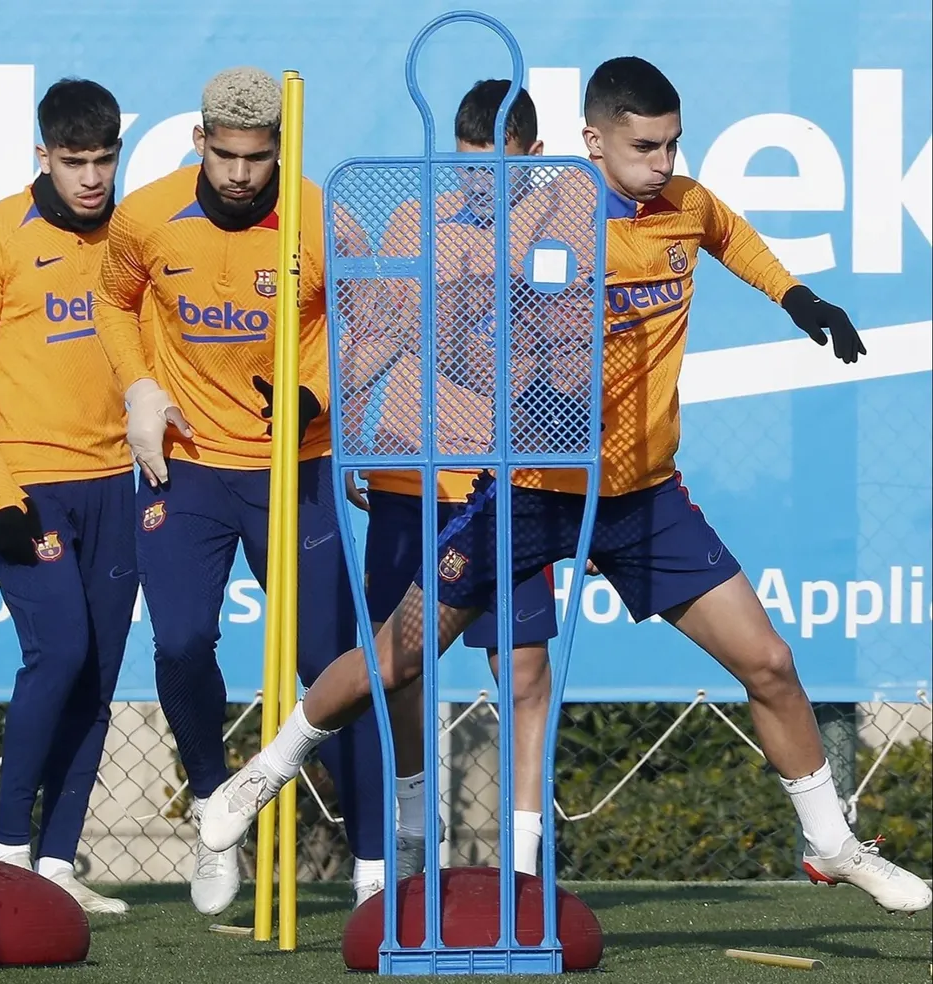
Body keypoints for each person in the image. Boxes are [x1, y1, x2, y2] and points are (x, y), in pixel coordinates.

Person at [201, 57, 932, 914]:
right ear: (593, 141)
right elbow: (452, 337)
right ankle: (257, 779)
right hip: (533, 488)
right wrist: (500, 378)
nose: (662, 163)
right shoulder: (552, 216)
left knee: (770, 662)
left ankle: (832, 843)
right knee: (395, 660)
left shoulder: (683, 205)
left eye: (672, 145)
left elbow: (730, 235)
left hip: (644, 499)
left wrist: (798, 298)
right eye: (644, 147)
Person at [92, 66, 387, 913]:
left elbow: (369, 325)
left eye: (257, 158)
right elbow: (114, 303)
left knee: (330, 668)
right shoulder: (146, 216)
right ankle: (217, 811)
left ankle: (374, 866)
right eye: (224, 155)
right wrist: (138, 386)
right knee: (181, 642)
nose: (238, 174)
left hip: (298, 462)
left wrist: (317, 395)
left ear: (280, 151)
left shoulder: (318, 216)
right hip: (186, 463)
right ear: (199, 142)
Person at [350, 79, 557, 877]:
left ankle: (529, 859)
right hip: (412, 471)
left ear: (531, 157)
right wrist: (358, 429)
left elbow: (553, 351)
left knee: (525, 667)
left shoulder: (561, 227)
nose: (478, 187)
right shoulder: (414, 222)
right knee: (397, 664)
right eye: (466, 170)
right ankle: (411, 823)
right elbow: (376, 326)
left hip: (508, 483)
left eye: (495, 170)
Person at [0, 78, 133, 914]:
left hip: (119, 483)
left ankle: (58, 862)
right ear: (42, 158)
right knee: (56, 654)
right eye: (74, 161)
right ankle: (9, 848)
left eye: (103, 159)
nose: (90, 177)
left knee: (99, 674)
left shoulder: (134, 236)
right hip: (29, 486)